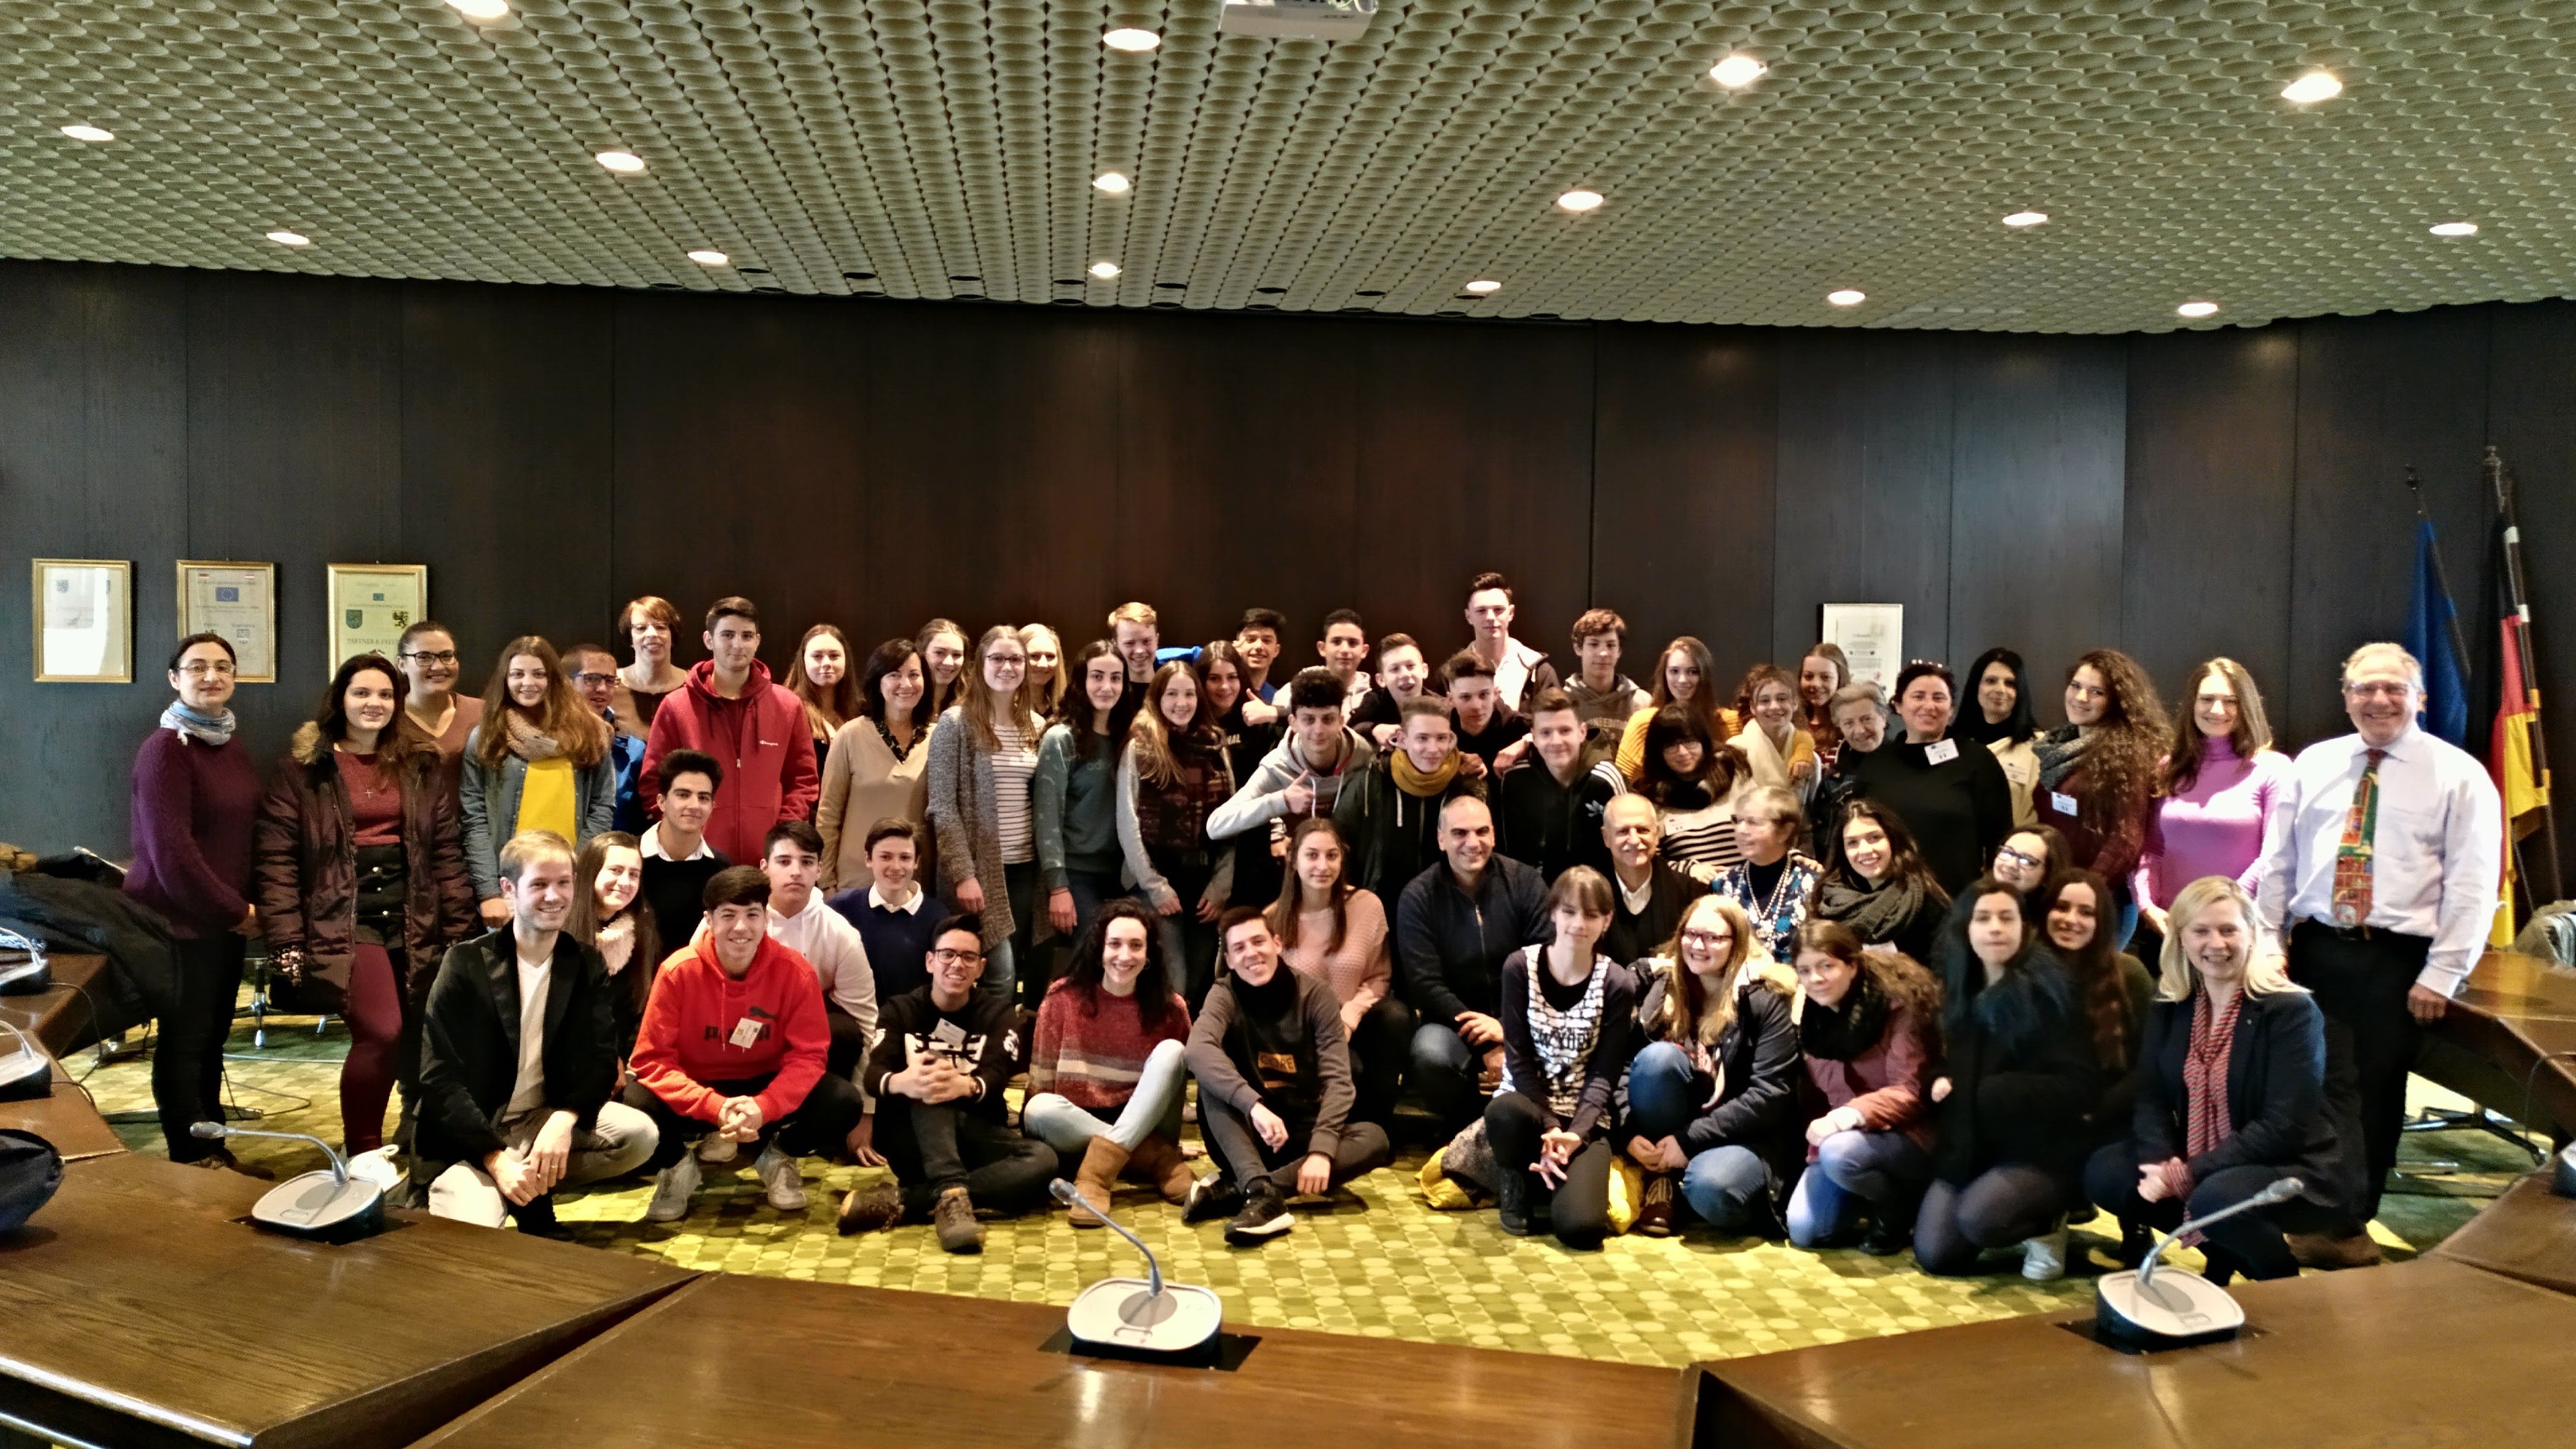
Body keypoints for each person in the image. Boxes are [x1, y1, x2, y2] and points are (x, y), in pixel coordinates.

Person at [2255, 641, 2501, 1251]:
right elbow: (2280, 860)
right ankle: (2310, 1207)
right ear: (2346, 698)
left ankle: (2348, 1224)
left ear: (2421, 698)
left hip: (2394, 960)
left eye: (2394, 687)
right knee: (2308, 1084)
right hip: (2314, 948)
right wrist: (2267, 938)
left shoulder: (2459, 774)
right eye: (2365, 688)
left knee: (2372, 1092)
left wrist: (2443, 972)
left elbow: (2473, 882)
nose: (2379, 699)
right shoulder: (2313, 764)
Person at [254, 653, 476, 1155]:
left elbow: (445, 851)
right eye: (361, 693)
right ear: (341, 700)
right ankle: (361, 1153)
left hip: (415, 915)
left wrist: (458, 928)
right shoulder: (303, 770)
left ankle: (422, 1141)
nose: (373, 703)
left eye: (385, 695)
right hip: (342, 918)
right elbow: (276, 860)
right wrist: (286, 938)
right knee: (382, 1032)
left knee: (422, 1033)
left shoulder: (420, 764)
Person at [2086, 876, 2348, 1283]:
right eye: (2201, 931)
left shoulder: (2291, 1010)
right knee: (2106, 1172)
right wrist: (2161, 1161)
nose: (2216, 943)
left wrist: (2189, 1172)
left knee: (2216, 1197)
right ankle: (2224, 1251)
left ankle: (2280, 1283)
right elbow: (2150, 1094)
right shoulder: (2171, 1004)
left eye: (2229, 930)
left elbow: (2285, 1125)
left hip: (2290, 1162)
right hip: (2207, 1158)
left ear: (2251, 933)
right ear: (2181, 938)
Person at [417, 831, 658, 1232]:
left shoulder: (584, 962)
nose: (554, 896)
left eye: (563, 883)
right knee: (475, 1235)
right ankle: (498, 1190)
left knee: (639, 1137)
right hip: (474, 1134)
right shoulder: (465, 963)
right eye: (539, 884)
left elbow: (600, 1059)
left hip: (538, 1122)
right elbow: (439, 1078)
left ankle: (532, 1187)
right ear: (509, 888)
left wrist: (563, 1121)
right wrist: (496, 1160)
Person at [624, 865, 867, 1222]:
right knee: (632, 1100)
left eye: (752, 915)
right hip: (697, 1084)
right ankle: (677, 1166)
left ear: (766, 919)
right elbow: (651, 1061)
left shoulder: (796, 972)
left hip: (763, 1080)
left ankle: (779, 1155)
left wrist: (765, 1106)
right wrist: (716, 1107)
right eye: (728, 915)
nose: (741, 927)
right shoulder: (678, 971)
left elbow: (809, 1056)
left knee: (844, 1101)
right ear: (708, 920)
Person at [128, 633, 268, 1173]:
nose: (212, 676)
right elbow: (173, 854)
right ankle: (191, 1156)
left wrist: (243, 909)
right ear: (174, 678)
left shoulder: (227, 743)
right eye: (197, 667)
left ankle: (214, 1148)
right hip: (181, 926)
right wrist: (236, 912)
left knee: (212, 1041)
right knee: (187, 1043)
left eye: (223, 667)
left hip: (223, 924)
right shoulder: (165, 750)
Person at [837, 912, 1055, 1250]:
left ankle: (915, 1199)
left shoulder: (998, 1013)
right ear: (930, 961)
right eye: (948, 954)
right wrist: (904, 1082)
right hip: (914, 1140)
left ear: (981, 968)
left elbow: (997, 1073)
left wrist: (966, 1085)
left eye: (968, 957)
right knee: (930, 1080)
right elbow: (873, 1076)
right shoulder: (900, 1010)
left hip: (976, 1131)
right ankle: (952, 1196)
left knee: (1044, 1160)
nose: (957, 964)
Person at [1915, 877, 2096, 1280]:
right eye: (1983, 918)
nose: (1995, 928)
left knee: (1981, 1219)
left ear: (2024, 927)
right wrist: (1938, 1080)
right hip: (1972, 1145)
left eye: (2006, 918)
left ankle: (2049, 1225)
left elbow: (2079, 1087)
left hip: (2039, 1151)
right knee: (1936, 1255)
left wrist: (1996, 1092)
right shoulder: (1961, 987)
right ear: (1966, 929)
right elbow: (1948, 1063)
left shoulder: (2049, 992)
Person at [1185, 908, 1393, 1244]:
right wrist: (1253, 1105)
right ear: (1230, 960)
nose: (1251, 953)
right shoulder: (1223, 994)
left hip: (1300, 1134)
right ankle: (1256, 1184)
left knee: (1375, 1138)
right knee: (1213, 1084)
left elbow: (1339, 1081)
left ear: (1277, 944)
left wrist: (1322, 1150)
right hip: (1247, 1136)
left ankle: (1252, 1191)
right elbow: (1197, 1050)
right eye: (1239, 948)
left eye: (1259, 941)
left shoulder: (1316, 995)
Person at [1620, 895, 1801, 1237]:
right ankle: (1663, 1182)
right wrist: (1628, 1133)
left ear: (1737, 943)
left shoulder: (1765, 996)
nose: (1697, 945)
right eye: (1690, 934)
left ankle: (1690, 1185)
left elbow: (1770, 1094)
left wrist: (1688, 1141)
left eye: (1713, 938)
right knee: (1657, 1060)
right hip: (1675, 1130)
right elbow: (1625, 1065)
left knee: (1712, 1190)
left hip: (1744, 1136)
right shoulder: (1661, 986)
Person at [1021, 900, 1198, 1225]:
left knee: (1173, 1051)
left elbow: (1173, 1084)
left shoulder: (1171, 1008)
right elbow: (1041, 1080)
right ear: (1099, 949)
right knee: (1039, 1110)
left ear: (1149, 954)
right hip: (1077, 1123)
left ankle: (1096, 1176)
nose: (1124, 955)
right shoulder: (1062, 998)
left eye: (1136, 946)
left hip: (1148, 1120)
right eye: (1114, 944)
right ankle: (1155, 1158)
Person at [1486, 867, 1638, 1246]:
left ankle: (1551, 1177)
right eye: (1569, 912)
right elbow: (1518, 1058)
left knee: (1581, 1229)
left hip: (1582, 1116)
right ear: (1552, 913)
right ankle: (1516, 1181)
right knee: (1503, 1112)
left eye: (1592, 915)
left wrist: (1574, 1134)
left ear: (1607, 921)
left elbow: (1604, 1073)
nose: (1579, 924)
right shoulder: (1519, 967)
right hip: (1527, 1106)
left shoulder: (1617, 982)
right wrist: (1550, 1125)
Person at [1784, 922, 1940, 1252]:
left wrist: (1844, 1119)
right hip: (1846, 1140)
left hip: (1910, 1136)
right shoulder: (1813, 1019)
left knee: (1840, 1154)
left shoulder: (1897, 1005)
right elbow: (1822, 1097)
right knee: (1804, 1230)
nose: (1816, 979)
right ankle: (1869, 1196)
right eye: (1805, 971)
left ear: (1852, 965)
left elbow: (1910, 1091)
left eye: (1827, 966)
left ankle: (1899, 1206)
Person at [1398, 796, 1547, 1131]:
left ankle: (1532, 1127)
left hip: (1525, 1019)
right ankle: (1465, 1132)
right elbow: (1425, 985)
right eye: (1460, 833)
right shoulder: (1418, 896)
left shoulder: (1525, 882)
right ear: (1441, 839)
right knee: (1430, 1052)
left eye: (1482, 832)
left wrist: (1507, 1029)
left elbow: (1545, 964)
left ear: (1493, 834)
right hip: (1454, 1025)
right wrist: (1489, 1040)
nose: (1473, 843)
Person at [696, 823, 879, 1087]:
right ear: (764, 867)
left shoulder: (841, 933)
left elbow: (864, 1020)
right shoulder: (728, 919)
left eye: (807, 862)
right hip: (732, 1027)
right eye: (784, 861)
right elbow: (694, 989)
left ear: (819, 869)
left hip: (800, 1039)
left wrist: (863, 1098)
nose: (796, 872)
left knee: (845, 1032)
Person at [639, 597, 819, 863]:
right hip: (696, 859)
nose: (738, 644)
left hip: (767, 859)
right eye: (727, 635)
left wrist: (781, 836)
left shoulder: (788, 706)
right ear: (708, 640)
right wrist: (684, 832)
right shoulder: (677, 706)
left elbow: (803, 780)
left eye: (747, 636)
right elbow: (653, 781)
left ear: (757, 641)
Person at [460, 638, 615, 927]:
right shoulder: (486, 738)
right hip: (510, 886)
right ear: (505, 680)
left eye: (538, 674)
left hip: (569, 881)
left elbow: (602, 807)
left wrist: (576, 870)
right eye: (517, 674)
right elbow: (474, 819)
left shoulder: (590, 733)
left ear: (553, 679)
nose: (528, 683)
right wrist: (489, 892)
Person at [926, 625, 1042, 1003]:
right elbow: (943, 807)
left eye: (1016, 659)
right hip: (978, 869)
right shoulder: (955, 723)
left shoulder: (1036, 726)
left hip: (1024, 867)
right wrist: (964, 874)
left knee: (1015, 967)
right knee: (998, 972)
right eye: (997, 659)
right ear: (980, 665)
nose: (1007, 667)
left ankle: (997, 1037)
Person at [2138, 657, 2292, 937]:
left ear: (2246, 706)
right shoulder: (2169, 767)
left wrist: (2221, 908)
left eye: (2230, 701)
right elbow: (2152, 848)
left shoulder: (2272, 769)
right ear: (2192, 705)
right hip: (2171, 924)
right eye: (2207, 699)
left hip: (2236, 925)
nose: (2217, 710)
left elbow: (2274, 854)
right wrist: (2146, 904)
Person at [1115, 660, 1238, 1006]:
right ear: (1157, 698)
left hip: (1205, 883)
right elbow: (1128, 823)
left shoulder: (1216, 746)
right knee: (1175, 986)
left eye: (1189, 694)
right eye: (1172, 694)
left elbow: (1231, 821)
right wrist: (1155, 887)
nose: (1181, 703)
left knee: (1199, 983)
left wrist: (1221, 886)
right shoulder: (1140, 747)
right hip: (1155, 880)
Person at [1269, 818, 1408, 1125]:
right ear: (1293, 860)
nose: (1323, 866)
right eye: (1312, 855)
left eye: (1332, 855)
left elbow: (1379, 977)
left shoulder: (1367, 905)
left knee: (1395, 1017)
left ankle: (1376, 1128)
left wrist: (1349, 1017)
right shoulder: (1272, 919)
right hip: (1306, 1032)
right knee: (1350, 1069)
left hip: (1355, 1023)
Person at [2031, 648, 2169, 947]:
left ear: (2116, 702)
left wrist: (2081, 893)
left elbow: (2125, 840)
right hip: (2058, 893)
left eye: (2097, 692)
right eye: (2076, 686)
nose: (2081, 698)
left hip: (2101, 901)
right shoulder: (2060, 748)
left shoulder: (2128, 756)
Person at [1845, 661, 2014, 897]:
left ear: (1951, 709)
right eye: (1918, 696)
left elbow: (2001, 840)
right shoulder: (1876, 764)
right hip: (1885, 900)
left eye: (1939, 698)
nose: (1929, 706)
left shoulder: (1977, 761)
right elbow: (1854, 833)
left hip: (1957, 902)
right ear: (1898, 705)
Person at [1209, 667, 1377, 897]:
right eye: (1308, 720)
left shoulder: (1362, 755)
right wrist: (1282, 801)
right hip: (1296, 878)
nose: (1318, 730)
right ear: (1293, 722)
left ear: (1341, 721)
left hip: (1350, 872)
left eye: (1328, 719)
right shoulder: (1277, 766)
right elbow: (1216, 826)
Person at [2041, 869, 2157, 1152]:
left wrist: (2095, 1112)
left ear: (2101, 921)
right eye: (2062, 907)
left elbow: (2151, 1066)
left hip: (2111, 1127)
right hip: (2040, 1126)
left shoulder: (2130, 974)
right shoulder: (2026, 975)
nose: (2071, 920)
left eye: (2086, 912)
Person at [1334, 698, 1485, 904]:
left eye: (1442, 738)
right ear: (1403, 739)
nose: (1433, 749)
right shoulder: (1370, 780)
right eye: (1422, 738)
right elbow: (1340, 842)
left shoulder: (1467, 784)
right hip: (1382, 904)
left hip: (1449, 905)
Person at [1034, 640, 1136, 949]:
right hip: (1076, 875)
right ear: (1081, 681)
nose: (1107, 686)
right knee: (1096, 955)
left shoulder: (1128, 737)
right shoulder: (1060, 739)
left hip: (1121, 874)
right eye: (1097, 676)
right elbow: (1046, 816)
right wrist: (1058, 887)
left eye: (1116, 678)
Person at [817, 638, 936, 894]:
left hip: (915, 884)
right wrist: (826, 881)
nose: (906, 684)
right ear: (877, 681)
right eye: (894, 675)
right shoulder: (851, 735)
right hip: (855, 883)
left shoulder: (938, 738)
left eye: (914, 675)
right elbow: (828, 815)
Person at [1494, 688, 1624, 882]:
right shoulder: (1516, 779)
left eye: (1565, 731)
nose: (1556, 741)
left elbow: (1627, 848)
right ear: (1533, 737)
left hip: (1597, 893)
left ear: (1582, 732)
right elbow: (1512, 855)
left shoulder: (1605, 780)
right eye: (1546, 733)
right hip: (1534, 893)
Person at [1196, 641, 1286, 905]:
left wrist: (1274, 713)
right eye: (1214, 678)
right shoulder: (1189, 722)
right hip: (1205, 845)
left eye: (1232, 677)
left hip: (1253, 842)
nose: (1224, 687)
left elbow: (1306, 722)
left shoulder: (1257, 721)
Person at [1813, 799, 1951, 966]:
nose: (1865, 850)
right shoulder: (1826, 901)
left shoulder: (1925, 899)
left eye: (1874, 838)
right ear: (1843, 850)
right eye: (1852, 842)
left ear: (1892, 839)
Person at [565, 830, 659, 1066]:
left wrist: (620, 1058)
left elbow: (641, 1009)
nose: (625, 882)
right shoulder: (560, 927)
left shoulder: (644, 930)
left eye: (634, 874)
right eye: (616, 870)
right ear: (591, 871)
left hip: (621, 1058)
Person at [828, 818, 941, 1003]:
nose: (896, 867)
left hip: (910, 1018)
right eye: (886, 857)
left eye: (905, 858)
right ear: (868, 859)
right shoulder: (840, 908)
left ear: (916, 862)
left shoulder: (937, 916)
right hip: (850, 1016)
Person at [1639, 705, 1752, 883]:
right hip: (1693, 894)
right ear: (1658, 751)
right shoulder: (1650, 799)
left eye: (1690, 741)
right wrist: (1689, 869)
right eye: (1671, 745)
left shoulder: (1737, 773)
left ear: (1704, 742)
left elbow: (1767, 830)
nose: (1682, 752)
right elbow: (1650, 862)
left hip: (1750, 889)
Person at [1710, 786, 1824, 961]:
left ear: (1785, 831)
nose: (1741, 830)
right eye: (1737, 821)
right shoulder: (1723, 884)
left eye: (1752, 822)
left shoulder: (1813, 883)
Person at [638, 749, 729, 948]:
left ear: (712, 806)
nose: (694, 805)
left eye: (703, 798)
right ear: (661, 802)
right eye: (683, 795)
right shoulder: (627, 858)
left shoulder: (722, 869)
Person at [1600, 794, 1702, 966]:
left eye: (1643, 830)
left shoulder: (1691, 894)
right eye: (1623, 831)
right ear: (1606, 837)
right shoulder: (1589, 897)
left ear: (1657, 834)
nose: (1634, 840)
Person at [1616, 636, 1734, 782]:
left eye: (1693, 672)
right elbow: (1623, 786)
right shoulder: (1643, 723)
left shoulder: (1729, 723)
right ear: (1664, 674)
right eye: (1674, 671)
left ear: (1705, 675)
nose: (1682, 680)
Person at [396, 619, 482, 810]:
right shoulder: (387, 718)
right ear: (402, 664)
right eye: (424, 657)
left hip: (474, 827)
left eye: (446, 656)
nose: (438, 666)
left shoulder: (483, 713)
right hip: (408, 828)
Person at [567, 643, 648, 834]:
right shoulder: (547, 742)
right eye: (592, 679)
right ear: (566, 682)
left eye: (610, 680)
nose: (602, 688)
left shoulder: (634, 752)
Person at [1960, 648, 2041, 826]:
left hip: (2015, 841)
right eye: (1991, 681)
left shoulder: (2039, 747)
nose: (2000, 690)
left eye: (2010, 683)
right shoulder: (1952, 743)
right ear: (1976, 686)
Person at [1459, 572, 1560, 714]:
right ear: (1468, 616)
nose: (1490, 617)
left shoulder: (1539, 671)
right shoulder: (1450, 673)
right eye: (1481, 611)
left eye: (1498, 610)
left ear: (1511, 613)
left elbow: (1555, 721)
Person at [1808, 682, 1886, 859]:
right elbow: (1824, 842)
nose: (1859, 730)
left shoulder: (1907, 765)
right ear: (1840, 727)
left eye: (1867, 719)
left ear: (1883, 717)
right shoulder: (1834, 779)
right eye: (1849, 723)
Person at [784, 623, 861, 788]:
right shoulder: (789, 710)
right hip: (808, 802)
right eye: (817, 656)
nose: (826, 663)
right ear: (803, 661)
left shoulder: (861, 712)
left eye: (834, 656)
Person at [1729, 665, 1819, 798]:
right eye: (1765, 701)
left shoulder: (1810, 758)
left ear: (1795, 703)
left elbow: (1812, 806)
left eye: (1782, 699)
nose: (1774, 707)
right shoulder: (1735, 751)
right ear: (1753, 707)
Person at [1567, 608, 1650, 746]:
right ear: (1578, 648)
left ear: (1619, 651)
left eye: (1610, 645)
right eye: (1594, 644)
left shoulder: (1642, 703)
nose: (1603, 653)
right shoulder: (1564, 701)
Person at [1441, 650, 1529, 777]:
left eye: (1484, 695)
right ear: (1450, 700)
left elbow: (1557, 727)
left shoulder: (1518, 726)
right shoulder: (1439, 731)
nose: (1476, 706)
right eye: (1466, 697)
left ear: (1496, 694)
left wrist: (1527, 742)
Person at [611, 595, 688, 734]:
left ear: (673, 636)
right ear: (630, 638)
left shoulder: (694, 686)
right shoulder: (609, 686)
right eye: (641, 628)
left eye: (661, 627)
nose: (652, 634)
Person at [1350, 631, 1434, 747]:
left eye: (1410, 666)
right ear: (1381, 680)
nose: (1405, 674)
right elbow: (1349, 730)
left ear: (1424, 670)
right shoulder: (1375, 701)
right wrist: (1374, 729)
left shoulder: (1441, 706)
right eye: (1395, 669)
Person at [1796, 643, 1851, 775]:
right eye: (1809, 677)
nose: (1815, 684)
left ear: (1840, 680)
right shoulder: (1790, 724)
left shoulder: (1851, 727)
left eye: (1826, 677)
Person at [1316, 608, 1374, 716]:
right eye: (1336, 642)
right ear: (1322, 648)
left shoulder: (1375, 701)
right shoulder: (1293, 692)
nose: (1345, 650)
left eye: (1353, 643)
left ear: (1364, 651)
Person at [1232, 607, 1288, 705]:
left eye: (1267, 641)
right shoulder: (1222, 688)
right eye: (1251, 640)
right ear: (1237, 645)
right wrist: (1226, 655)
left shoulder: (1278, 700)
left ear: (1276, 650)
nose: (1259, 646)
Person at [917, 617, 970, 718]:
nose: (949, 663)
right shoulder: (905, 701)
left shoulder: (973, 706)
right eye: (940, 653)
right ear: (922, 653)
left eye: (956, 655)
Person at [1107, 601, 1161, 696]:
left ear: (1157, 640)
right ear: (1115, 646)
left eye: (1146, 641)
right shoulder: (1109, 694)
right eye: (1129, 643)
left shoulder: (1175, 685)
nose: (1139, 651)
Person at [1016, 623, 1065, 719]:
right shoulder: (1003, 710)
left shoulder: (1065, 709)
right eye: (1034, 656)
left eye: (1050, 656)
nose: (1043, 664)